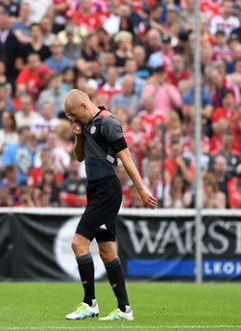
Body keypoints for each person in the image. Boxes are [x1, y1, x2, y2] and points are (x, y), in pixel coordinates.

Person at [63, 89, 157, 321]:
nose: (73, 120)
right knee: (106, 252)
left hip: (107, 190)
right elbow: (79, 157)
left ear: (84, 106)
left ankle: (90, 304)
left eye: (73, 115)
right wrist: (78, 136)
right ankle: (125, 310)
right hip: (95, 189)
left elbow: (125, 157)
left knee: (78, 244)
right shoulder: (85, 125)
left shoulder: (108, 122)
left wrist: (141, 189)